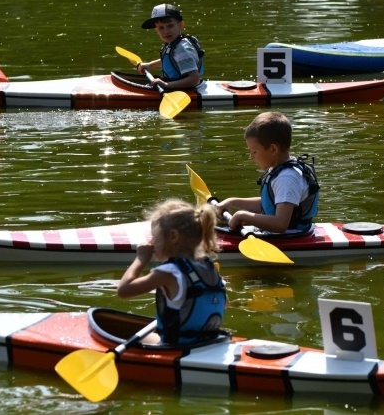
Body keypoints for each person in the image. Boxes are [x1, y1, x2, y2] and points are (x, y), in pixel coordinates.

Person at [117, 199, 226, 345]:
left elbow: (123, 290)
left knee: (121, 332)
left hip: (177, 347)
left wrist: (141, 259)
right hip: (208, 342)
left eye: (155, 236)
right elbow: (224, 304)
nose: (151, 242)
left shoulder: (169, 272)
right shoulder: (209, 267)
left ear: (173, 236)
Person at [217, 111, 319, 234]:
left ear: (273, 149)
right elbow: (269, 204)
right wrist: (234, 202)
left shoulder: (286, 178)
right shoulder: (279, 169)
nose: (251, 157)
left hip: (290, 237)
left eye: (254, 152)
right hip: (277, 234)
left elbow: (280, 224)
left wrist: (243, 216)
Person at [137, 3, 205, 90]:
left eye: (170, 26)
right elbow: (174, 61)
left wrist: (166, 85)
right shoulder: (175, 44)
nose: (166, 31)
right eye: (161, 28)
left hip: (186, 91)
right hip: (178, 88)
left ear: (180, 25)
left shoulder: (182, 49)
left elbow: (194, 79)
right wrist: (150, 65)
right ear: (156, 29)